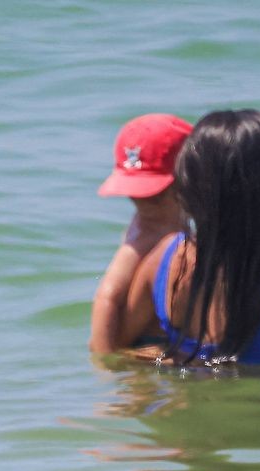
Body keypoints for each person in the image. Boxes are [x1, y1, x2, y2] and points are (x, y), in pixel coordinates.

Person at [91, 109, 260, 364]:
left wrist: (177, 360)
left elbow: (117, 349)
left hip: (177, 389)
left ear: (187, 190)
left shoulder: (164, 261)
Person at [89, 113, 192, 348]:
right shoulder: (145, 233)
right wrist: (104, 358)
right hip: (142, 342)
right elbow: (107, 296)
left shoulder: (160, 222)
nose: (143, 202)